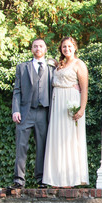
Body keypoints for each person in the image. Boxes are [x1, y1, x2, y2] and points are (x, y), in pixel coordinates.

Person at [42, 37, 89, 187]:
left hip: (71, 103)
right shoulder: (59, 65)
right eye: (64, 47)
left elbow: (84, 89)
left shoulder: (79, 64)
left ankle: (70, 179)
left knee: (70, 139)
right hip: (57, 105)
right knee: (57, 139)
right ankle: (56, 179)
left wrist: (81, 109)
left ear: (74, 47)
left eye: (69, 46)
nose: (66, 49)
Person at [11, 38, 54, 189]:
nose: (38, 48)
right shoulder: (22, 67)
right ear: (31, 49)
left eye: (41, 46)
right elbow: (17, 90)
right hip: (25, 112)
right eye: (35, 46)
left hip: (43, 112)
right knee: (21, 146)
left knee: (42, 146)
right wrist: (15, 109)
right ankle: (19, 179)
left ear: (45, 48)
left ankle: (41, 179)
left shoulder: (51, 68)